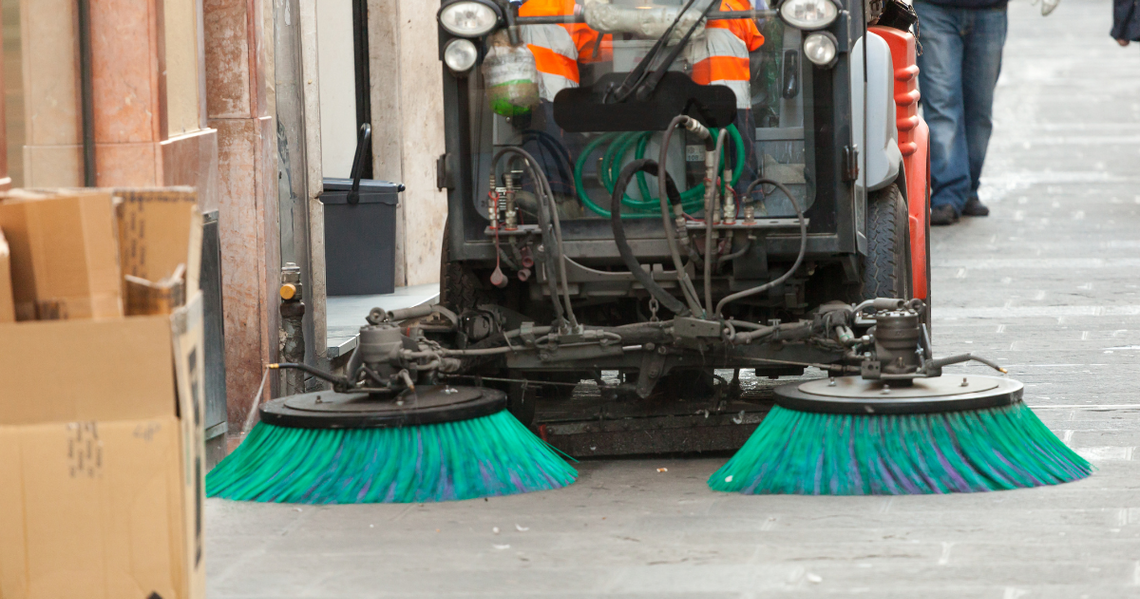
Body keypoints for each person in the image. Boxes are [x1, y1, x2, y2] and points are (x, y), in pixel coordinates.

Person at [913, 0, 1009, 226]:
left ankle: (967, 190)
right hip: (933, 8)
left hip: (990, 9)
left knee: (980, 111)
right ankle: (948, 194)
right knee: (941, 106)